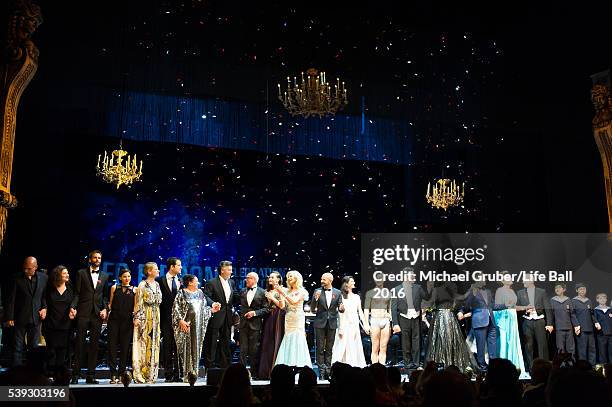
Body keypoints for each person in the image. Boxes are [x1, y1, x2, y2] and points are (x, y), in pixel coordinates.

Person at [70, 250, 109, 384]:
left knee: (94, 345)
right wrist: (73, 307)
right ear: (90, 259)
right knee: (79, 344)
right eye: (95, 257)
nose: (97, 259)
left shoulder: (104, 276)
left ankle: (91, 375)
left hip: (97, 314)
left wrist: (105, 308)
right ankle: (75, 375)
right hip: (83, 312)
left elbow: (104, 296)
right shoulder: (81, 273)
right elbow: (77, 293)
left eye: (99, 258)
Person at [6, 256, 48, 367]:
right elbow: (11, 299)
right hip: (20, 317)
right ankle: (16, 374)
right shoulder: (16, 278)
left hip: (35, 318)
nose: (25, 270)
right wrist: (9, 317)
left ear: (36, 267)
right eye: (24, 268)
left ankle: (32, 373)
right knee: (17, 347)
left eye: (29, 268)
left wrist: (45, 308)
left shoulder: (43, 278)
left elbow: (44, 296)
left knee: (33, 348)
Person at [172, 274, 215, 382]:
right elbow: (175, 308)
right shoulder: (181, 293)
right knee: (186, 349)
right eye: (196, 281)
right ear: (190, 282)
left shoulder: (200, 293)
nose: (198, 283)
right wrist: (180, 320)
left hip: (198, 328)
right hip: (186, 326)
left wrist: (211, 310)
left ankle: (194, 374)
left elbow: (204, 309)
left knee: (196, 348)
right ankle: (186, 374)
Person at [425, 282, 475, 372]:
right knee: (446, 339)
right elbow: (463, 297)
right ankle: (446, 362)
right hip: (446, 317)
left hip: (444, 317)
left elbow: (430, 302)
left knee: (445, 340)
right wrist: (470, 289)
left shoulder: (442, 290)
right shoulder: (444, 291)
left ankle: (444, 362)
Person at [458, 281, 505, 372]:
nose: (484, 280)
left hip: (491, 321)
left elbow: (492, 305)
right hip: (479, 321)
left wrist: (506, 305)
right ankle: (482, 366)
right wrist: (461, 311)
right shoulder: (472, 291)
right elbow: (466, 304)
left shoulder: (488, 291)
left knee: (492, 345)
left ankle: (493, 365)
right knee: (481, 345)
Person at [391, 268, 431, 369]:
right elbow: (394, 308)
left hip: (416, 318)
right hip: (404, 318)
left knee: (416, 341)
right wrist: (395, 323)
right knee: (405, 342)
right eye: (411, 275)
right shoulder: (396, 290)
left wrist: (430, 288)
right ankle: (407, 363)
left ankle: (416, 363)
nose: (414, 277)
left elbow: (427, 298)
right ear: (405, 276)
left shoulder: (418, 288)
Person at [274, 270, 312, 368]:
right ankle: (287, 364)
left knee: (297, 338)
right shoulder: (286, 291)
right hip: (288, 317)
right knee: (288, 337)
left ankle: (299, 365)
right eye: (288, 277)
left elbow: (294, 302)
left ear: (297, 278)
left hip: (298, 317)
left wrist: (282, 293)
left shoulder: (302, 291)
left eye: (291, 276)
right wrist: (280, 296)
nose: (289, 278)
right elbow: (282, 306)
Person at [132, 262, 162, 384]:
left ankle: (152, 374)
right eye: (156, 269)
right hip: (145, 316)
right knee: (143, 343)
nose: (158, 271)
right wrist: (137, 317)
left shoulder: (158, 284)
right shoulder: (142, 285)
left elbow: (159, 300)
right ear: (149, 271)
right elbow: (138, 303)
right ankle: (141, 374)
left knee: (154, 344)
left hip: (156, 316)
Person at [310, 272, 344, 379]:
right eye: (321, 279)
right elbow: (312, 309)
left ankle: (328, 370)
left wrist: (342, 308)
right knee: (320, 348)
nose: (322, 281)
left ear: (330, 280)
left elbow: (341, 308)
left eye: (324, 279)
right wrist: (315, 299)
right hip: (320, 322)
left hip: (332, 323)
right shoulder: (317, 291)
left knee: (329, 348)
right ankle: (321, 372)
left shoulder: (338, 293)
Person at [43, 265, 75, 378]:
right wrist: (44, 308)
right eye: (64, 273)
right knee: (51, 350)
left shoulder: (70, 288)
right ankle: (49, 374)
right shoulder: (50, 288)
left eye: (67, 273)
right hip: (51, 324)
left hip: (65, 325)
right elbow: (44, 301)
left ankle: (59, 375)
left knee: (62, 351)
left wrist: (73, 309)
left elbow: (74, 302)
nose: (67, 275)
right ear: (58, 275)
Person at [491, 277, 526, 377]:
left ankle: (513, 366)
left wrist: (525, 307)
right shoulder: (499, 290)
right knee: (504, 342)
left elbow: (513, 306)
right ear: (502, 281)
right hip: (503, 318)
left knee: (512, 342)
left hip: (512, 317)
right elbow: (497, 306)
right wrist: (506, 305)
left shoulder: (512, 291)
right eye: (507, 278)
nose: (510, 279)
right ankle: (502, 369)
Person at [516, 275, 553, 370]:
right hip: (527, 322)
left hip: (539, 321)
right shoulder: (520, 293)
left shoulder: (541, 291)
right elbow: (517, 307)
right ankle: (531, 368)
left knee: (542, 345)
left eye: (525, 280)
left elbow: (547, 308)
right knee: (528, 346)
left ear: (531, 280)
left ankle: (545, 367)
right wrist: (525, 310)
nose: (523, 282)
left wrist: (549, 324)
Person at [331, 276, 368, 368]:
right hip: (344, 323)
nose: (354, 282)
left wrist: (366, 325)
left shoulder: (356, 297)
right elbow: (339, 313)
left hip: (354, 323)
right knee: (342, 344)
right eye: (352, 281)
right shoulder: (341, 296)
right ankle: (338, 366)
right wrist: (341, 328)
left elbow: (360, 312)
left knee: (353, 344)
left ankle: (354, 366)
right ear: (346, 284)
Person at [203, 260, 234, 369]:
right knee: (212, 341)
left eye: (231, 269)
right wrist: (213, 304)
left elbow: (232, 298)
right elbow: (206, 296)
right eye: (229, 270)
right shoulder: (211, 282)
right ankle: (209, 367)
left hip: (227, 316)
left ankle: (225, 366)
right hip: (215, 316)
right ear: (222, 270)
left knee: (226, 341)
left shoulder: (231, 282)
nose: (231, 271)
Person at [238, 272, 269, 379]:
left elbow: (266, 309)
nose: (246, 280)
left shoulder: (262, 292)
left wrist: (254, 313)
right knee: (242, 350)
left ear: (255, 280)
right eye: (246, 278)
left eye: (249, 278)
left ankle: (254, 373)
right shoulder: (242, 291)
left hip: (255, 325)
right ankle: (241, 374)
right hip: (243, 325)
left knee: (254, 350)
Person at [107, 268, 135, 384]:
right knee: (112, 347)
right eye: (124, 276)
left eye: (128, 276)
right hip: (114, 320)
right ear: (120, 278)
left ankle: (121, 373)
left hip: (127, 321)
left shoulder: (135, 289)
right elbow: (110, 303)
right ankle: (113, 374)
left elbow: (135, 306)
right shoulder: (114, 288)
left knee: (124, 348)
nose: (127, 278)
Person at [156, 257, 182, 382]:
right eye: (179, 265)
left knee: (178, 347)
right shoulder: (159, 281)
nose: (181, 267)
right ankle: (168, 373)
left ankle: (178, 374)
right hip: (165, 319)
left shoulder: (181, 281)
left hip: (179, 320)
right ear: (172, 267)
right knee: (167, 346)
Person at [258, 272, 286, 379]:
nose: (270, 278)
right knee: (267, 343)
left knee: (275, 341)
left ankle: (274, 372)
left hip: (278, 317)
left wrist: (272, 298)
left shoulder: (281, 289)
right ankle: (265, 372)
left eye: (273, 277)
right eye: (269, 277)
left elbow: (282, 305)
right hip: (268, 317)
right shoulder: (267, 291)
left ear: (278, 279)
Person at [364, 279, 391, 365]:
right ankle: (375, 369)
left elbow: (390, 308)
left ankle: (382, 368)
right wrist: (366, 324)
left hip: (385, 320)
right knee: (375, 347)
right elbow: (366, 309)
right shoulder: (370, 293)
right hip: (375, 320)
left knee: (383, 347)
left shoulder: (388, 293)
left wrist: (390, 316)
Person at [572, 282, 600, 366]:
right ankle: (583, 367)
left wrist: (596, 322)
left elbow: (591, 314)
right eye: (580, 289)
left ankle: (592, 366)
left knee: (592, 349)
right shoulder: (573, 301)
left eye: (584, 289)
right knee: (582, 350)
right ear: (577, 290)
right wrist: (576, 325)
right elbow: (572, 314)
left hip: (590, 328)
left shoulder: (589, 301)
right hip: (581, 329)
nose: (582, 290)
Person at [550, 283, 578, 354]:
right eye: (556, 288)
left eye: (559, 287)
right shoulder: (552, 300)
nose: (557, 289)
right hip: (559, 328)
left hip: (569, 328)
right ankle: (562, 364)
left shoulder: (568, 300)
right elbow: (551, 315)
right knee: (560, 348)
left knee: (571, 348)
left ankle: (571, 363)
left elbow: (572, 314)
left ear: (564, 289)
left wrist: (576, 325)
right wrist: (550, 325)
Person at [594, 292, 612, 363]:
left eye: (604, 297)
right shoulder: (596, 310)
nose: (602, 299)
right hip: (601, 335)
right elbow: (594, 321)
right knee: (602, 353)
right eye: (600, 298)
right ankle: (604, 370)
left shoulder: (610, 309)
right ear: (597, 300)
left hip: (611, 334)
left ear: (606, 299)